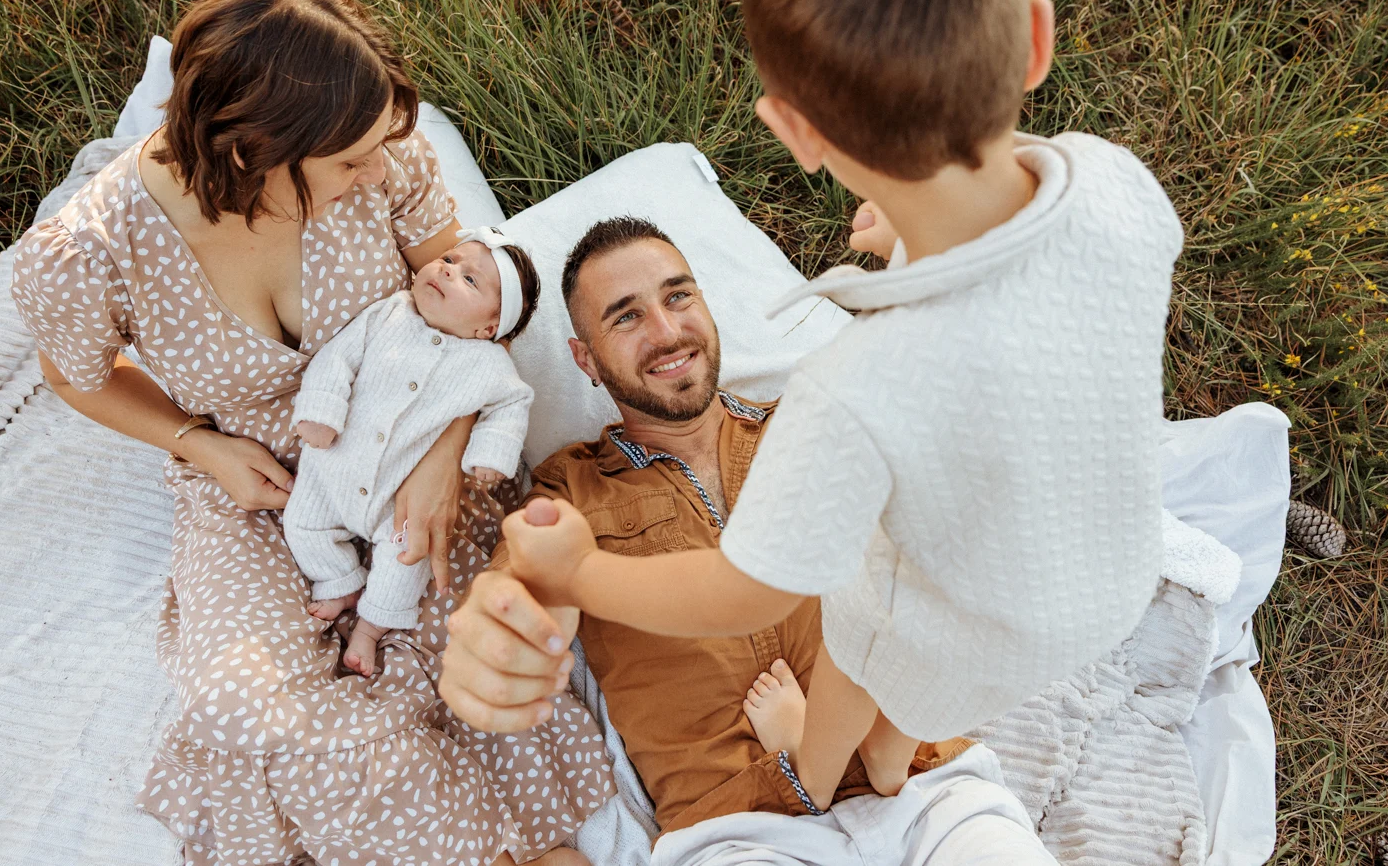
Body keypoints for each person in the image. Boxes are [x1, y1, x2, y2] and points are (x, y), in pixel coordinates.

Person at [501, 0, 1182, 811]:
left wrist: (580, 573)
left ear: (797, 133)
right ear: (1034, 39)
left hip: (961, 620)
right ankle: (895, 764)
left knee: (870, 631)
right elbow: (1016, 260)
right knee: (917, 691)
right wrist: (908, 231)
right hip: (1104, 577)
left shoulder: (855, 388)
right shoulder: (1121, 187)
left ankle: (826, 779)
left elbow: (750, 589)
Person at [11, 0, 612, 865]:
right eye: (349, 162)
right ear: (253, 150)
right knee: (250, 705)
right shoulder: (91, 254)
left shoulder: (384, 163)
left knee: (472, 660)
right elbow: (75, 378)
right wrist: (196, 442)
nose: (376, 170)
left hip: (414, 450)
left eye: (378, 149)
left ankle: (527, 845)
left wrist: (445, 447)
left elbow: (458, 303)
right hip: (253, 488)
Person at [440, 217, 1057, 864]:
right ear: (585, 359)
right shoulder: (571, 485)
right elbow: (533, 569)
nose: (667, 330)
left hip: (924, 789)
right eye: (626, 317)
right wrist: (503, 617)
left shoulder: (813, 424)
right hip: (735, 831)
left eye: (679, 296)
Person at [288, 227, 540, 677]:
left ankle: (370, 627)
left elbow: (512, 404)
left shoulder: (488, 365)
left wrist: (492, 454)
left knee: (410, 556)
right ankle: (339, 581)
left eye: (470, 280)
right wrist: (321, 411)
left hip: (400, 498)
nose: (447, 269)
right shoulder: (389, 314)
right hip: (333, 469)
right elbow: (336, 358)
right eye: (449, 258)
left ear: (488, 328)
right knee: (302, 522)